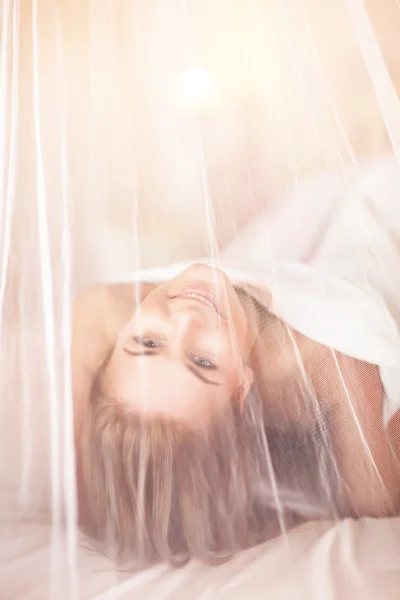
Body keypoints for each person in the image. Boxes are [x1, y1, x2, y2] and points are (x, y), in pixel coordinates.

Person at [72, 155, 400, 567]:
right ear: (243, 387)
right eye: (203, 362)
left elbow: (86, 494)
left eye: (148, 341)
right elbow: (379, 499)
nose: (186, 320)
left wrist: (108, 505)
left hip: (316, 210)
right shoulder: (334, 359)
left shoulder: (105, 310)